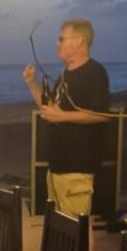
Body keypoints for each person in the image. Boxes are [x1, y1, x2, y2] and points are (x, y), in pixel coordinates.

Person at [23, 17, 110, 222]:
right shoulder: (65, 74)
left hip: (77, 169)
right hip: (57, 168)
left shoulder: (94, 72)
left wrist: (62, 116)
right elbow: (50, 107)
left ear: (79, 41)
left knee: (77, 229)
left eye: (62, 39)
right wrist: (32, 83)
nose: (57, 43)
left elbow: (101, 115)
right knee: (60, 228)